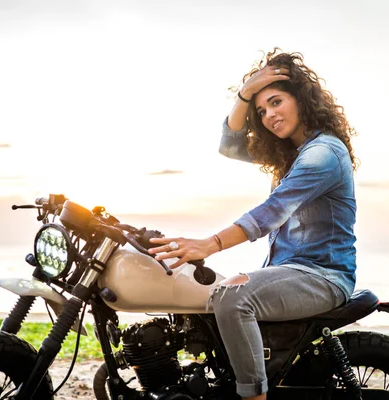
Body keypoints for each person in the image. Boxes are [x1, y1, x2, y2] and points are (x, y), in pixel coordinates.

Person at [149, 49, 358, 400]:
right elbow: (229, 147)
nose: (270, 115)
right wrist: (245, 94)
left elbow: (272, 211)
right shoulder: (287, 154)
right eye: (261, 111)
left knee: (232, 298)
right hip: (290, 271)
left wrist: (210, 243)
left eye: (276, 102)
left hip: (322, 276)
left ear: (302, 100)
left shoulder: (323, 154)